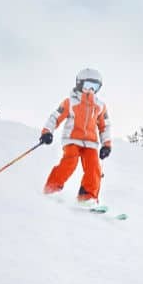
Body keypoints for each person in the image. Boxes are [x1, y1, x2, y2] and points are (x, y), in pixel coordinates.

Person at [40, 68, 113, 207]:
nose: (90, 90)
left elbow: (105, 126)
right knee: (70, 161)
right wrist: (47, 132)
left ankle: (87, 197)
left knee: (94, 167)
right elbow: (55, 117)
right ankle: (52, 188)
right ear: (79, 84)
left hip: (91, 143)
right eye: (87, 85)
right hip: (72, 139)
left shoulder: (100, 106)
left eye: (95, 87)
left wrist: (106, 145)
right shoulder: (70, 102)